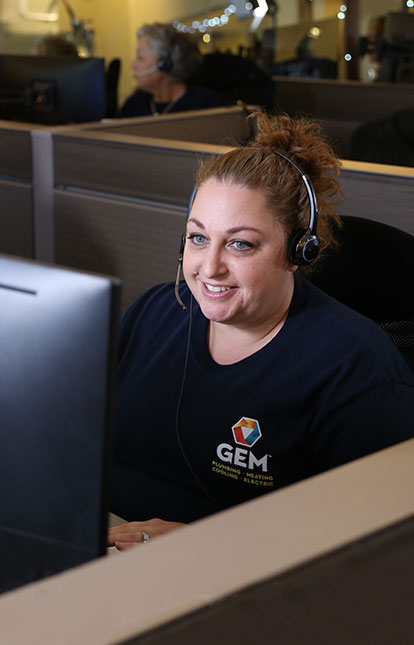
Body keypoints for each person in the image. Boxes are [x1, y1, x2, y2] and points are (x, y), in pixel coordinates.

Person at [108, 113, 413, 550]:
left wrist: (207, 545)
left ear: (297, 252)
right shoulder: (156, 311)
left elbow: (381, 543)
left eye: (240, 244)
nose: (208, 268)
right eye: (197, 238)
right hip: (102, 548)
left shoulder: (355, 368)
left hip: (248, 583)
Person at [118, 23, 220, 118]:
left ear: (165, 64)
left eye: (140, 57)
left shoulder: (205, 104)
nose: (133, 65)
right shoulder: (133, 105)